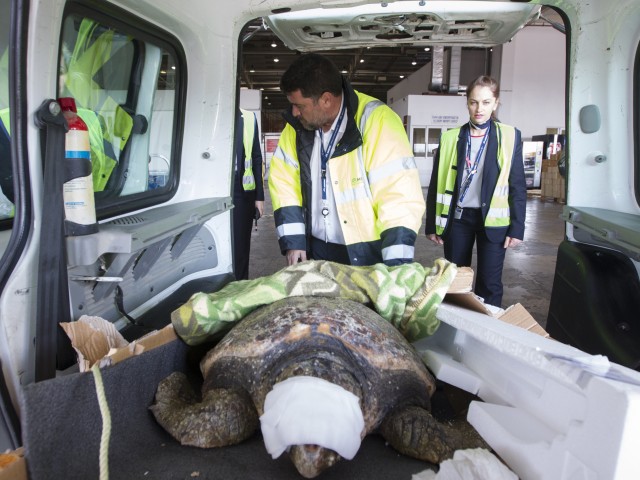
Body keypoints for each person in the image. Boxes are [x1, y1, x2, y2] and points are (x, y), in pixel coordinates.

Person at [268, 53, 425, 267]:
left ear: (325, 100)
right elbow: (284, 183)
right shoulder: (296, 128)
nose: (294, 112)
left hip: (366, 252)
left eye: (300, 105)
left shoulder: (377, 121)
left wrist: (396, 264)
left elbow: (398, 195)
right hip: (315, 248)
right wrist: (294, 241)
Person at [425, 75, 526, 308]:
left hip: (494, 221)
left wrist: (517, 227)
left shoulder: (510, 136)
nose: (479, 109)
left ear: (496, 102)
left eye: (486, 102)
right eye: (473, 102)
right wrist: (432, 224)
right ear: (467, 103)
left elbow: (517, 185)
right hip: (459, 220)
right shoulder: (450, 138)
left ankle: (487, 331)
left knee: (489, 283)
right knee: (454, 280)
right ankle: (455, 329)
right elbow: (436, 183)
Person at [232, 108, 264, 280]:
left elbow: (256, 157)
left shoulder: (249, 118)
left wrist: (259, 196)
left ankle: (239, 286)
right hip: (212, 185)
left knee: (240, 246)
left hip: (240, 190)